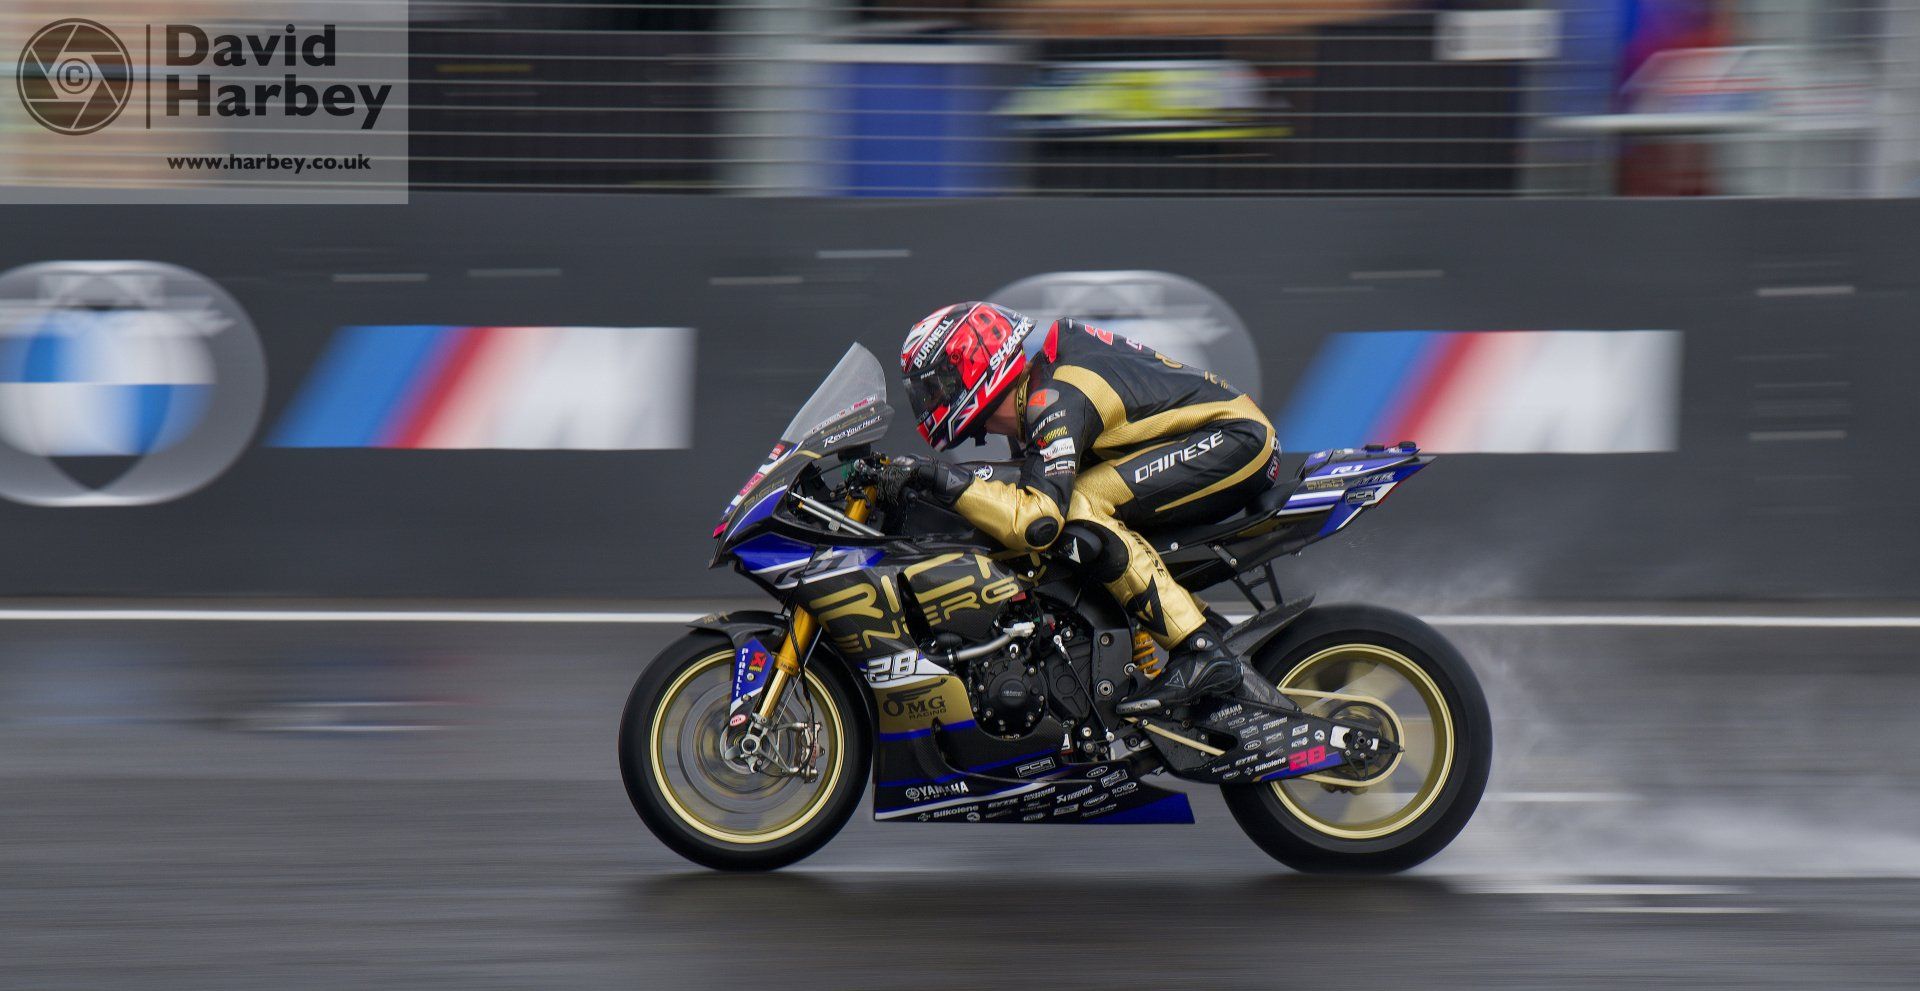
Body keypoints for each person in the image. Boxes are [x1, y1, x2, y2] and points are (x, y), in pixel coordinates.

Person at [882, 301, 1281, 715]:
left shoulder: (1054, 397)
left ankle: (1200, 649)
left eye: (936, 386)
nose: (929, 400)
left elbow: (1039, 522)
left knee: (1080, 505)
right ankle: (1213, 642)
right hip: (1216, 438)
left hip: (1236, 436)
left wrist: (943, 478)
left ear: (973, 367)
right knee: (1081, 530)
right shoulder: (1037, 396)